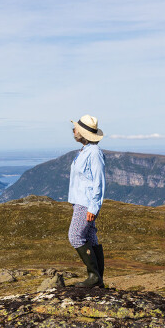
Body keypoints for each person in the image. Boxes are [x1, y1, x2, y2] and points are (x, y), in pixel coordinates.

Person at [68, 114, 106, 288]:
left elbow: (99, 181)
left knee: (75, 236)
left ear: (83, 133)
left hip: (86, 203)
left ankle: (94, 276)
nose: (73, 130)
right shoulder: (84, 151)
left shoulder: (95, 153)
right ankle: (98, 279)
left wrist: (93, 206)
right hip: (81, 202)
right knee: (90, 237)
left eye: (76, 128)